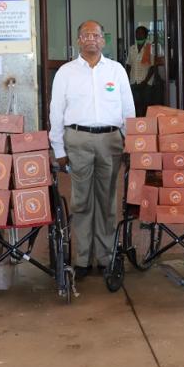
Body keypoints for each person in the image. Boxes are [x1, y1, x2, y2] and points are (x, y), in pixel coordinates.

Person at [49, 20, 135, 280]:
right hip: (78, 139)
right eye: (86, 35)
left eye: (96, 35)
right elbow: (55, 111)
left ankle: (106, 256)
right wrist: (58, 148)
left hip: (110, 141)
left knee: (107, 201)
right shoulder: (66, 72)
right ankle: (84, 259)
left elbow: (128, 108)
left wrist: (131, 142)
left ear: (103, 40)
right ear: (78, 40)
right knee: (82, 200)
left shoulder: (116, 70)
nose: (91, 39)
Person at [125, 25, 163, 117]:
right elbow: (128, 65)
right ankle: (138, 127)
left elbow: (153, 66)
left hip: (146, 84)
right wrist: (127, 80)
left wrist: (145, 82)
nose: (138, 35)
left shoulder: (150, 48)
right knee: (135, 106)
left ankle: (146, 127)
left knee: (146, 107)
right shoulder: (132, 48)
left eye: (141, 33)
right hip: (134, 82)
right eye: (137, 33)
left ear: (146, 35)